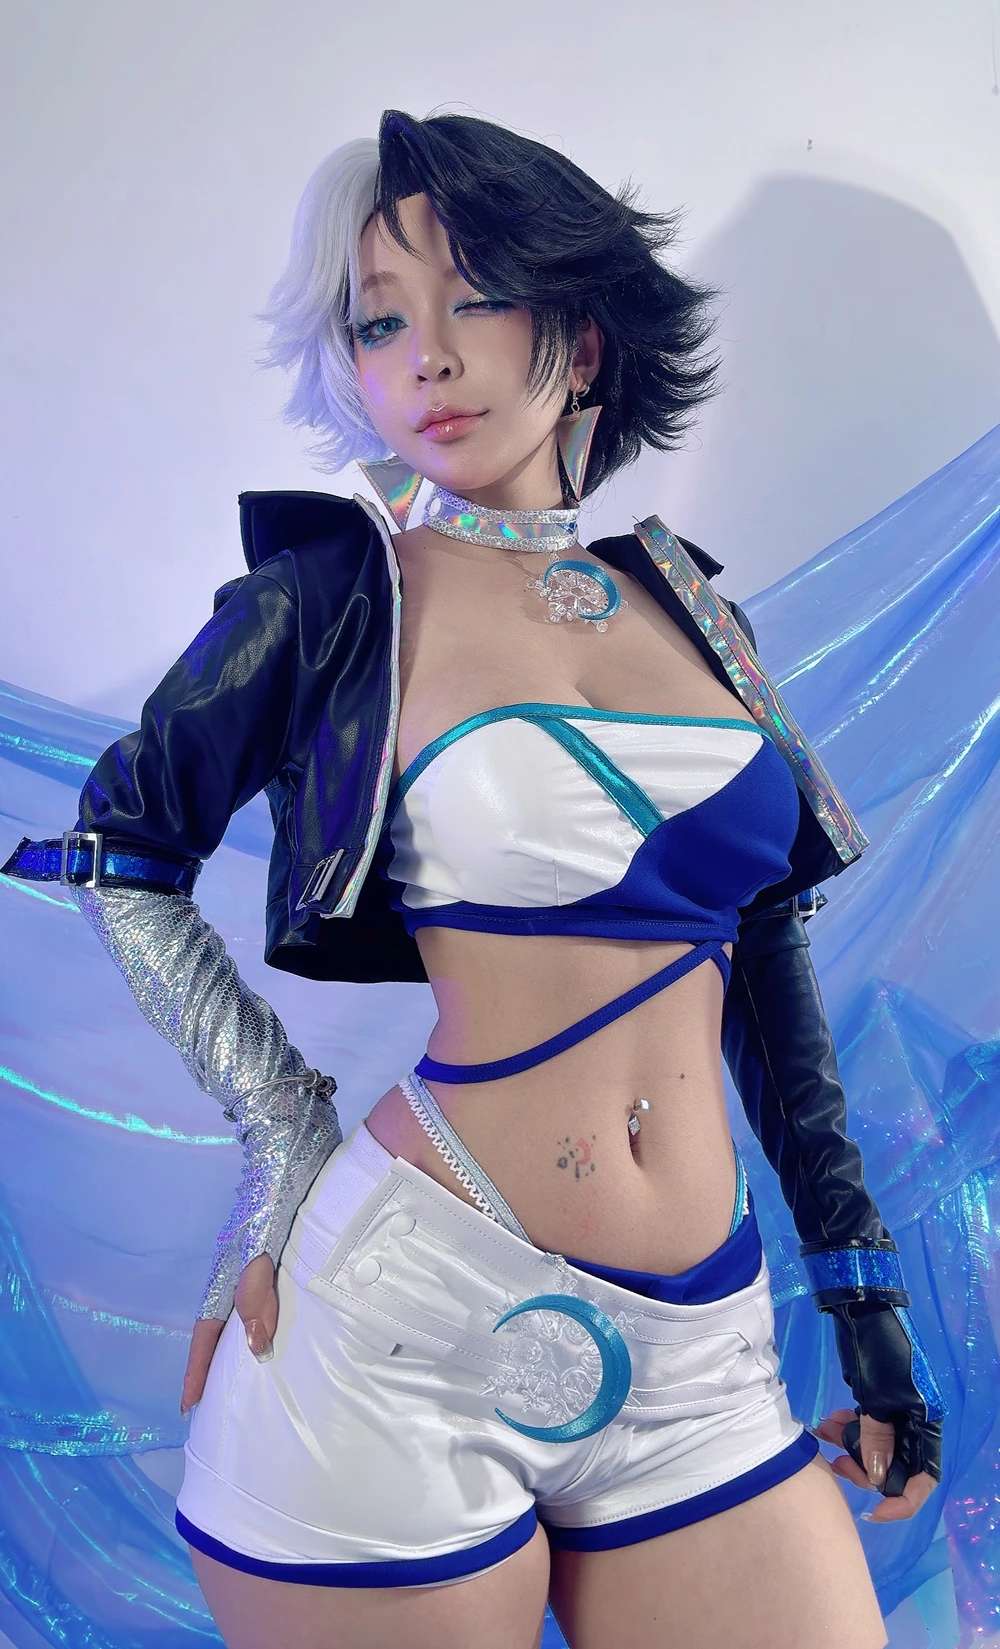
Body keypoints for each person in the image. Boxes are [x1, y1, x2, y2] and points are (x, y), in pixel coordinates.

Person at [3, 110, 943, 1649]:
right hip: (403, 1329)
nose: (426, 358)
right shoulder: (333, 599)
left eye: (476, 298)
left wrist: (863, 1295)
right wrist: (279, 1130)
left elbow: (768, 966)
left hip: (703, 1353)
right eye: (380, 322)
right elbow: (124, 851)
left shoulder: (694, 607)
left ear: (581, 333)